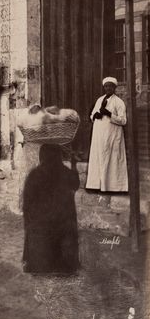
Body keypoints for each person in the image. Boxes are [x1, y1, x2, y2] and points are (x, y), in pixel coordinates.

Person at [22, 144, 80, 275]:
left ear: (42, 156)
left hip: (41, 221)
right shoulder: (65, 172)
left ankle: (39, 264)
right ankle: (63, 266)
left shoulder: (35, 174)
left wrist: (29, 220)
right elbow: (75, 185)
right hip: (61, 221)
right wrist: (74, 165)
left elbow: (28, 201)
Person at [86, 77, 128, 192]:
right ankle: (96, 185)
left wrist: (109, 114)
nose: (108, 88)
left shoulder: (119, 102)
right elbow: (93, 113)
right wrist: (95, 116)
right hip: (99, 135)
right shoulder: (99, 100)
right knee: (98, 158)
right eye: (106, 86)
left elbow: (123, 120)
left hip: (112, 136)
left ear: (114, 88)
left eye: (110, 86)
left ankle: (113, 187)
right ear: (104, 87)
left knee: (112, 159)